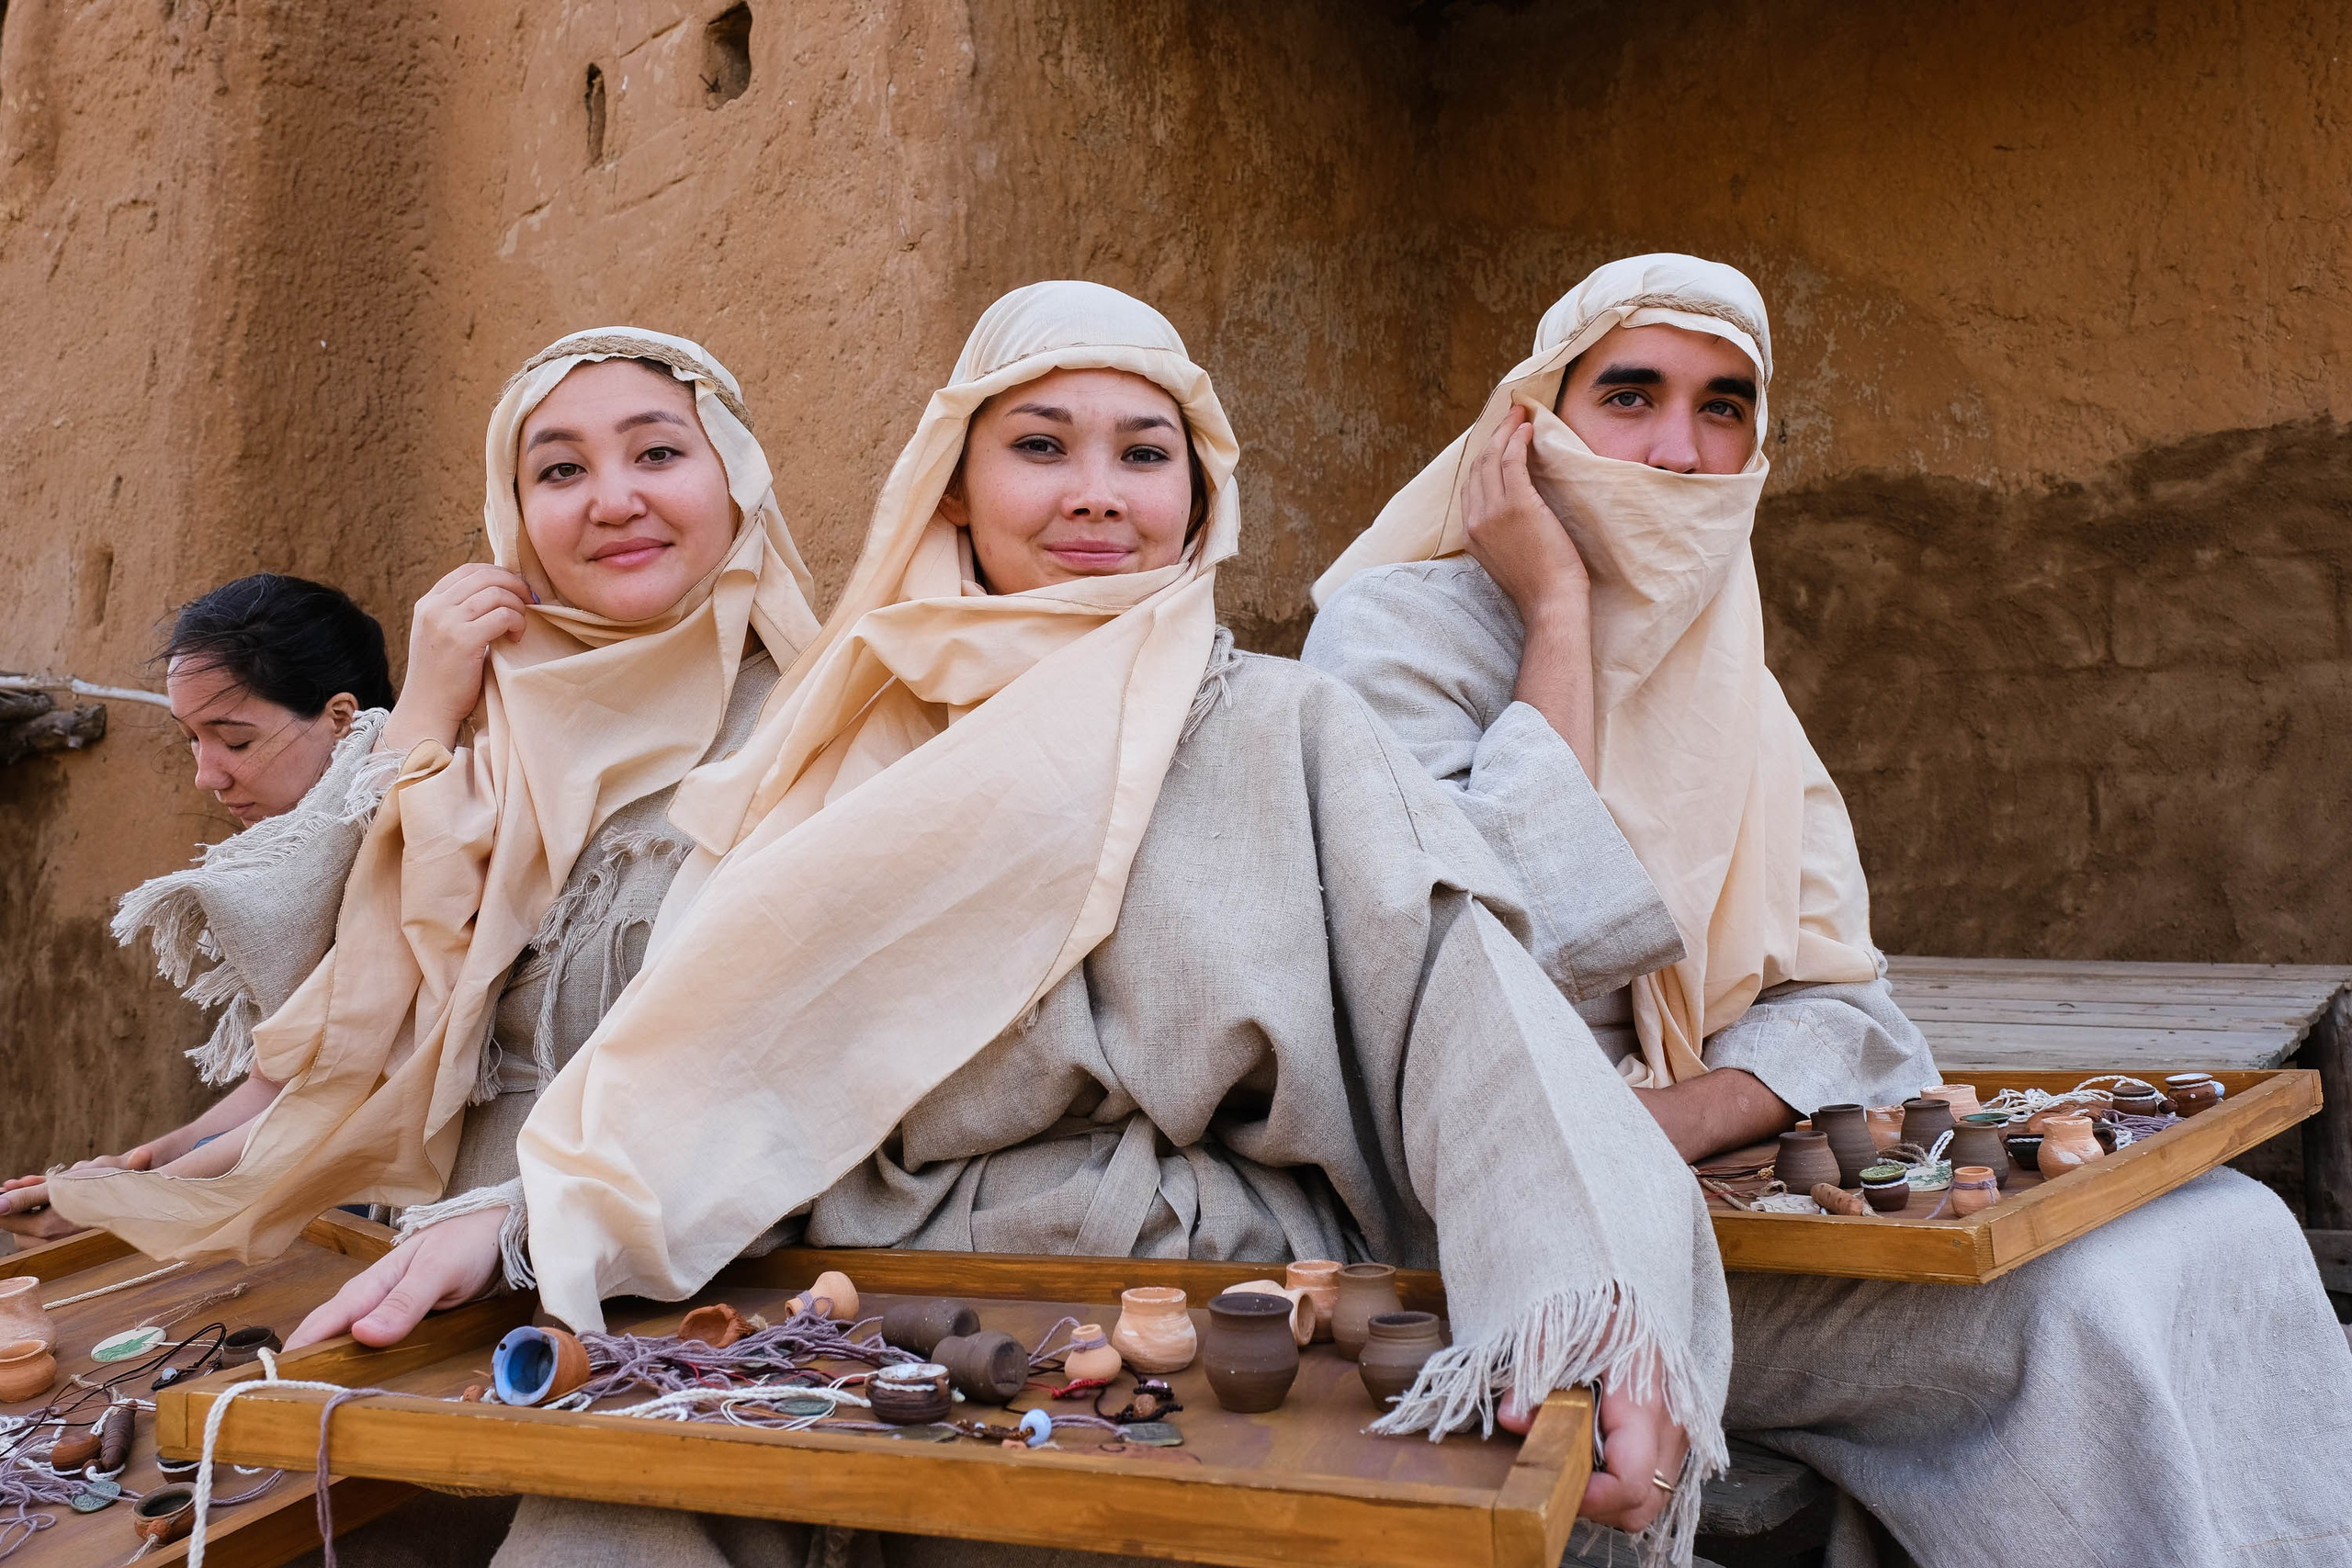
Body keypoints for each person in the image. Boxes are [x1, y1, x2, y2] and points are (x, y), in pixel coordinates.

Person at [463, 280, 1730, 1568]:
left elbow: (1474, 1012)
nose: (1096, 494)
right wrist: (535, 1212)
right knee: (601, 1524)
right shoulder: (845, 746)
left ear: (1200, 491)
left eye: (1143, 453)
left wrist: (1591, 1304)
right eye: (1040, 445)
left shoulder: (1293, 729)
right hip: (878, 1313)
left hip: (1217, 1305)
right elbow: (718, 1042)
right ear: (955, 488)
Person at [1304, 254, 2352, 1568]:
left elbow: (1845, 998)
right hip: (1515, 1231)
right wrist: (1556, 612)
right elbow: (1504, 953)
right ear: (1532, 422)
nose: (1678, 450)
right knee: (2091, 1308)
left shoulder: (1729, 678)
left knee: (2230, 1229)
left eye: (1723, 407)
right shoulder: (1390, 639)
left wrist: (1674, 1118)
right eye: (1629, 395)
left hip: (1716, 1185)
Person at [46, 332, 823, 1326]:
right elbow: (328, 1000)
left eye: (658, 453)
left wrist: (526, 1220)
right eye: (561, 470)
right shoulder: (481, 734)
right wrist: (420, 717)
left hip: (680, 1307)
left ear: (738, 479)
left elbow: (801, 1065)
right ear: (516, 512)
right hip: (421, 1297)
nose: (613, 499)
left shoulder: (823, 731)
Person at [0, 574, 397, 1240]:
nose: (207, 775)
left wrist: (134, 1197)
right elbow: (281, 1084)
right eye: (192, 738)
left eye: (235, 741)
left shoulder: (409, 842)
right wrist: (145, 1161)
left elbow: (351, 1098)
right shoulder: (299, 873)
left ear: (340, 719)